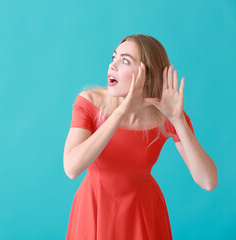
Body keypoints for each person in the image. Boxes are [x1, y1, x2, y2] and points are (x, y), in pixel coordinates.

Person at [63, 34, 218, 239]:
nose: (112, 65)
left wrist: (178, 120)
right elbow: (72, 168)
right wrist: (121, 112)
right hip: (94, 207)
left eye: (125, 61)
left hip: (143, 211)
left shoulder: (167, 114)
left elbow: (208, 181)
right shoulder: (89, 102)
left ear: (148, 75)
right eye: (114, 57)